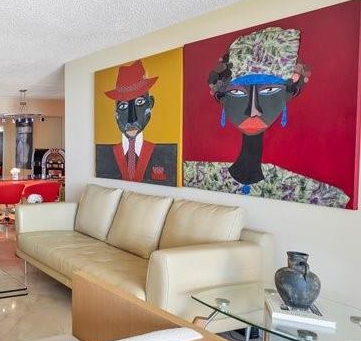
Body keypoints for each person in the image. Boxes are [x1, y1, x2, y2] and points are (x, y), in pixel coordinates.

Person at [184, 26, 349, 208]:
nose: (253, 110)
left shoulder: (313, 192)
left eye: (269, 90)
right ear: (223, 98)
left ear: (288, 94)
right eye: (238, 92)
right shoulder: (193, 174)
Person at [95, 60, 176, 185]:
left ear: (150, 104)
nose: (131, 119)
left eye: (139, 103)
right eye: (123, 106)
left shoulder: (168, 154)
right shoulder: (101, 155)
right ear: (116, 112)